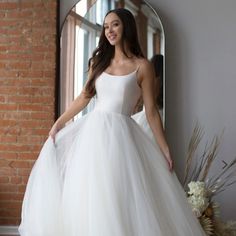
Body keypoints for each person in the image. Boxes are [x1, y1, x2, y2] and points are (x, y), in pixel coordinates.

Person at [18, 8, 206, 236]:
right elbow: (83, 97)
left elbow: (151, 112)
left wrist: (165, 148)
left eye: (115, 24)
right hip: (93, 134)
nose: (109, 31)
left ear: (126, 26)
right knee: (93, 193)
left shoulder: (142, 66)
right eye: (106, 27)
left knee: (121, 193)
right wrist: (59, 123)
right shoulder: (99, 62)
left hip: (123, 136)